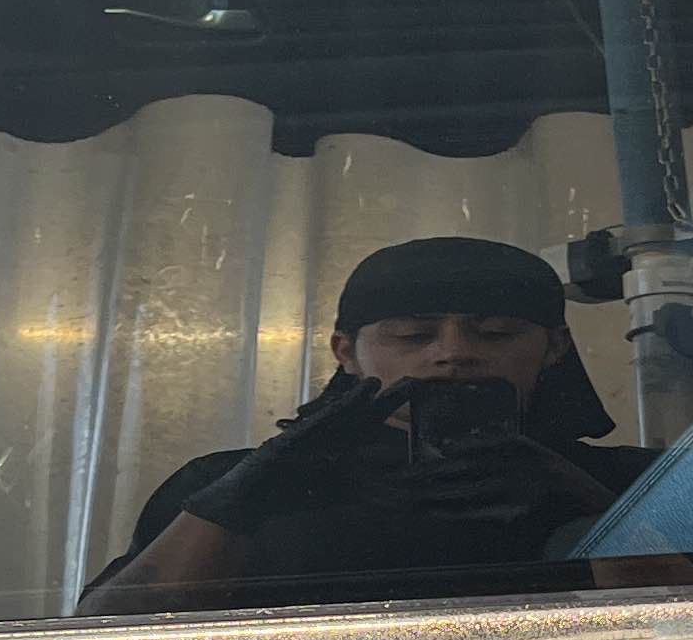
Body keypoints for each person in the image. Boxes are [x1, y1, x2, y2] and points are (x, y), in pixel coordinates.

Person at [79, 235, 648, 613]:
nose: (454, 353)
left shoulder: (640, 483)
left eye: (495, 333)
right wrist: (235, 503)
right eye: (412, 335)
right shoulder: (229, 484)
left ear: (555, 348)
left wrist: (594, 508)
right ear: (346, 352)